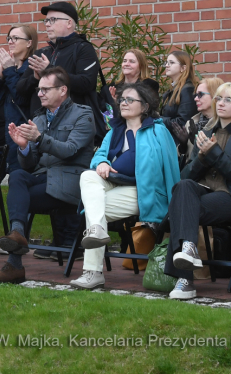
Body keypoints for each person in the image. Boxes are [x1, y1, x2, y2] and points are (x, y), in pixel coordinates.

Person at [0, 67, 97, 283]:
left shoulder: (83, 114)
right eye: (39, 90)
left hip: (70, 182)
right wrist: (24, 148)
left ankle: (15, 264)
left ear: (63, 90)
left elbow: (70, 150)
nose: (39, 94)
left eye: (45, 89)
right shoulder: (39, 119)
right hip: (43, 178)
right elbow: (30, 164)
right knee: (18, 176)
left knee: (21, 198)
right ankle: (18, 234)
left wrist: (39, 139)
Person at [70, 82, 179, 290]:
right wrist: (102, 163)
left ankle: (93, 272)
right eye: (122, 99)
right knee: (88, 175)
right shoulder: (115, 131)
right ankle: (97, 232)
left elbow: (171, 167)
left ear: (145, 106)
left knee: (93, 211)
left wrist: (174, 204)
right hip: (112, 182)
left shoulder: (158, 131)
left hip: (142, 191)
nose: (124, 103)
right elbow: (100, 154)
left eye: (130, 100)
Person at [164, 82, 231, 300]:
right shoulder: (205, 131)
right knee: (183, 187)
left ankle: (184, 281)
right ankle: (189, 248)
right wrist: (200, 157)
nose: (221, 103)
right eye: (219, 98)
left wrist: (215, 154)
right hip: (204, 192)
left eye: (228, 99)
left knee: (182, 208)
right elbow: (186, 175)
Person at [19, 2, 106, 144]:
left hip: (71, 128)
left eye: (53, 20)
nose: (47, 24)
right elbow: (20, 89)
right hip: (40, 125)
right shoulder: (42, 53)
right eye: (46, 20)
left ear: (69, 23)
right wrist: (35, 78)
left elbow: (86, 83)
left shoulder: (83, 49)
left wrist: (49, 70)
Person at [0, 25, 37, 152]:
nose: (10, 42)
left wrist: (10, 70)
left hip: (15, 132)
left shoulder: (32, 67)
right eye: (9, 38)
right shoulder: (4, 64)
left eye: (15, 38)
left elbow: (21, 98)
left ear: (29, 43)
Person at [177, 77, 224, 168]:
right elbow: (182, 163)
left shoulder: (223, 125)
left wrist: (197, 144)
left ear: (215, 96)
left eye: (200, 94)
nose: (195, 99)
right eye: (196, 95)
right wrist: (182, 147)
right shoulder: (191, 123)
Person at [160, 50, 198, 132]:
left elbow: (183, 123)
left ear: (183, 68)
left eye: (171, 63)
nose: (167, 65)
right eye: (166, 63)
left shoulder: (187, 90)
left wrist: (158, 119)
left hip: (179, 142)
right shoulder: (173, 89)